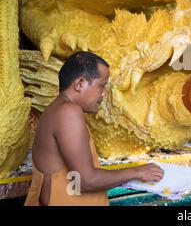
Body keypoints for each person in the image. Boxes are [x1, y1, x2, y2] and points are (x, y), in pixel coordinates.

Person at [25, 51, 164, 206]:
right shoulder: (68, 112)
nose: (103, 94)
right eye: (101, 86)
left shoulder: (57, 110)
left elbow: (78, 179)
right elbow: (86, 181)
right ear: (79, 84)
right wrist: (137, 172)